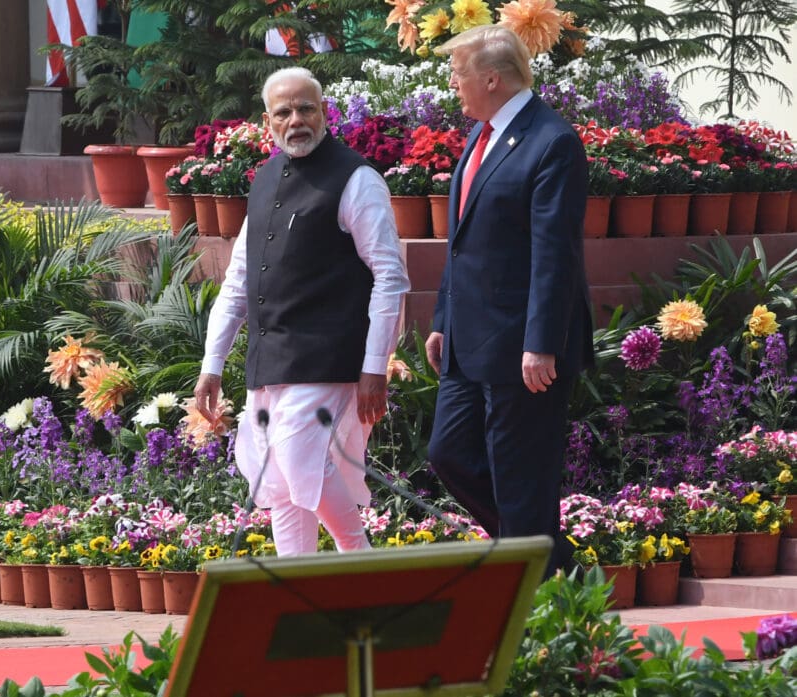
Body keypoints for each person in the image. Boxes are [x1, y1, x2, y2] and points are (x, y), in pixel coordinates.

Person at [193, 66, 410, 556]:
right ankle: (299, 598)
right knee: (280, 484)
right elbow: (238, 281)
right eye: (284, 112)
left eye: (306, 108)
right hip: (270, 364)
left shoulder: (357, 178)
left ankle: (364, 565)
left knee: (300, 463)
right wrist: (213, 365)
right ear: (268, 122)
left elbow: (390, 277)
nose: (296, 120)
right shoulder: (265, 178)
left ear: (325, 113)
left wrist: (375, 366)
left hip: (329, 360)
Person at [425, 25, 594, 574]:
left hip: (524, 348)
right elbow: (464, 240)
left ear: (491, 78)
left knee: (521, 477)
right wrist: (443, 318)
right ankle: (551, 558)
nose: (453, 84)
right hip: (468, 341)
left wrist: (542, 344)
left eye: (459, 73)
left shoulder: (552, 141)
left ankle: (538, 595)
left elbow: (555, 255)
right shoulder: (483, 134)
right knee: (448, 454)